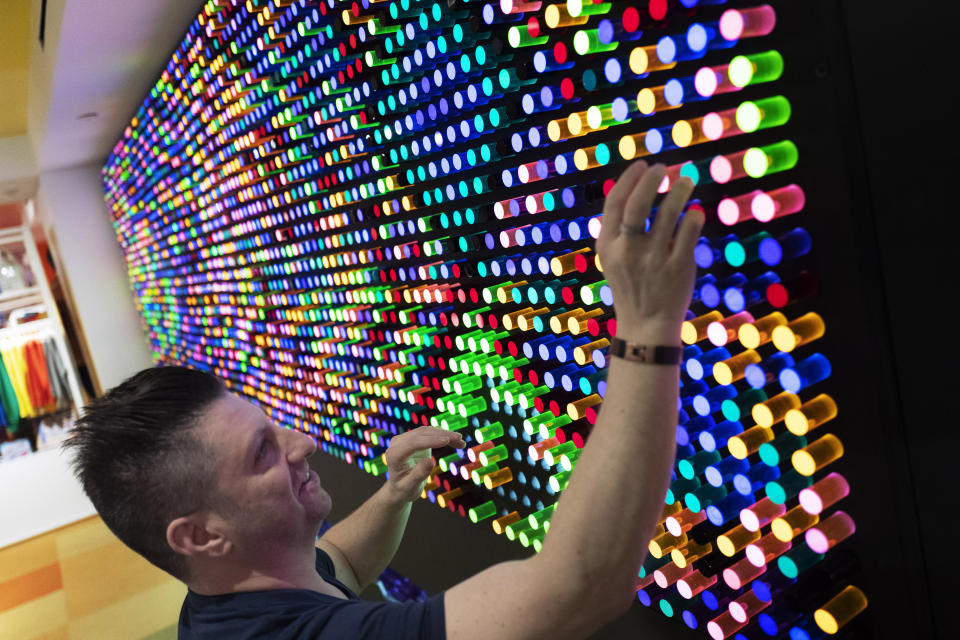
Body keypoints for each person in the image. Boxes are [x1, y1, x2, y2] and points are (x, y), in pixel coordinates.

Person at [65, 160, 702, 639]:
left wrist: (397, 492)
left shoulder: (243, 590)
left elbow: (335, 563)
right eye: (262, 453)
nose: (302, 442)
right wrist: (647, 329)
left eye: (272, 428)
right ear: (202, 535)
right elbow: (578, 585)